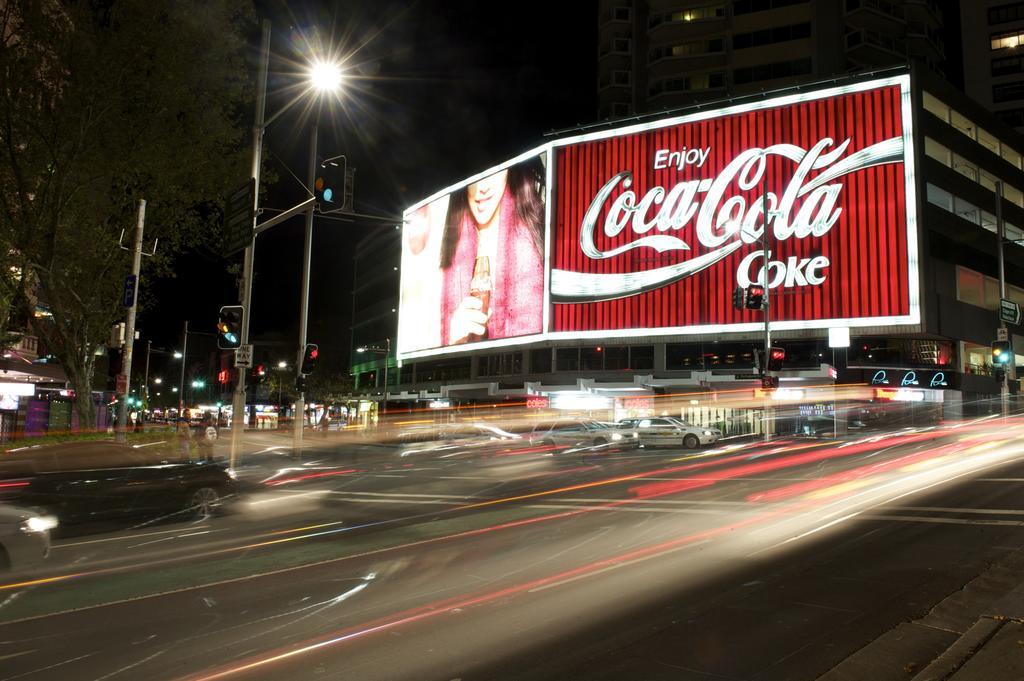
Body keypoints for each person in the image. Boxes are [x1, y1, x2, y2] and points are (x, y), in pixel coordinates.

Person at [440, 156, 545, 345]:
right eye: (475, 178)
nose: (482, 188)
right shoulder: (449, 258)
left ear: (509, 172)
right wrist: (453, 340)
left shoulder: (539, 235)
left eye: (494, 172)